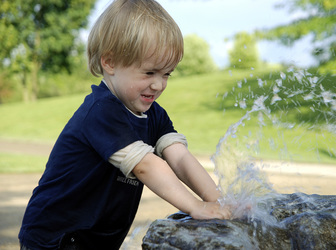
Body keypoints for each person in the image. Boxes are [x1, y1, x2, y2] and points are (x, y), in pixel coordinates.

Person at [18, 0, 231, 249]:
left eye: (167, 74)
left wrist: (219, 201)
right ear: (110, 62)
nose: (159, 85)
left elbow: (180, 159)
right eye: (150, 73)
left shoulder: (154, 115)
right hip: (54, 239)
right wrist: (196, 207)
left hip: (93, 240)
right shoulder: (100, 112)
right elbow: (146, 167)